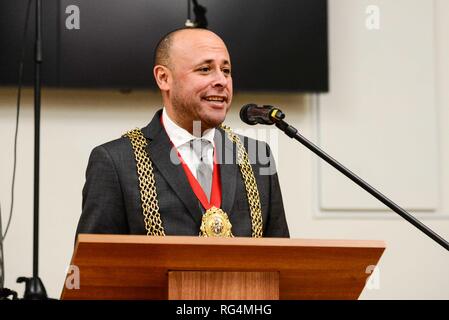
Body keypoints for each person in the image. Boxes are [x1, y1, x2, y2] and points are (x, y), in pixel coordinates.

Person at [75, 28, 289, 239]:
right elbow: (93, 269)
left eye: (226, 71)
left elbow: (282, 262)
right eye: (205, 69)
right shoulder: (116, 162)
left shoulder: (256, 156)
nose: (222, 81)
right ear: (163, 78)